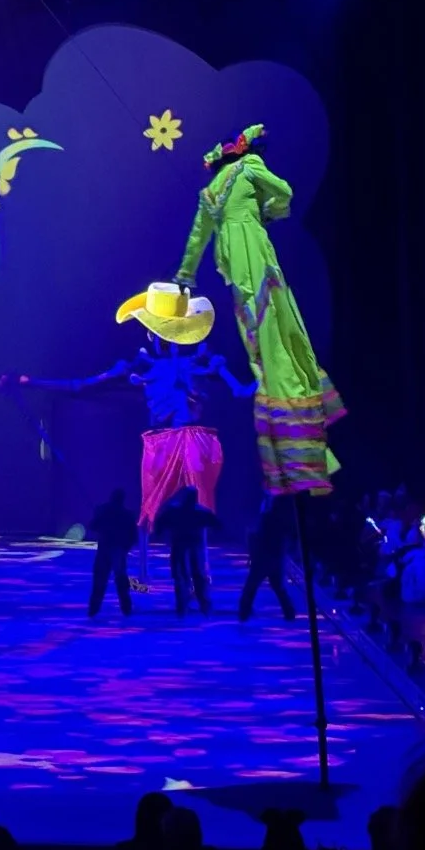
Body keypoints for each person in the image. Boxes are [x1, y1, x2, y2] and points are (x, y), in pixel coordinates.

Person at [176, 124, 344, 496]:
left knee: (260, 340)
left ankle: (293, 435)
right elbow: (284, 191)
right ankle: (301, 425)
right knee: (281, 332)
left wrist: (186, 275)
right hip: (256, 253)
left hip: (236, 268)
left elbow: (197, 238)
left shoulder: (210, 193)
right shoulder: (250, 166)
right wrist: (271, 211)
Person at [153, 484, 219, 615]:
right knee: (197, 576)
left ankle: (183, 607)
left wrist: (160, 531)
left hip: (180, 547)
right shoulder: (200, 512)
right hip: (194, 548)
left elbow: (160, 523)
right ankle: (203, 606)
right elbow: (217, 524)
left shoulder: (174, 511)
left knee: (182, 577)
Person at [238, 496, 299, 622]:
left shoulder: (268, 517)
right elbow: (292, 537)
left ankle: (244, 613)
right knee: (279, 587)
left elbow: (260, 536)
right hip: (278, 557)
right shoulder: (288, 520)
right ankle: (289, 613)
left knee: (251, 586)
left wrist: (253, 553)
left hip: (264, 557)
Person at [88, 487, 139, 618]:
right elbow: (133, 536)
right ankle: (126, 608)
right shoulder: (127, 515)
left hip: (105, 548)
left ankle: (94, 609)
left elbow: (93, 526)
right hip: (119, 550)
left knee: (100, 580)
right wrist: (126, 547)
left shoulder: (104, 511)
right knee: (120, 579)